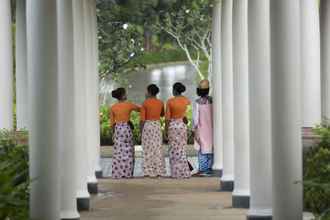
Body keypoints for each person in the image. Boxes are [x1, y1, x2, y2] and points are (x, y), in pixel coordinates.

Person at [109, 88, 140, 179]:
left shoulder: (113, 107)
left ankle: (118, 173)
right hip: (126, 129)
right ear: (122, 95)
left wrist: (113, 134)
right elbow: (140, 109)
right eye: (125, 93)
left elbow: (111, 124)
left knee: (119, 152)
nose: (127, 95)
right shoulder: (129, 105)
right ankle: (128, 173)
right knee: (128, 151)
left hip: (118, 129)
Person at [165, 82, 191, 178]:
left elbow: (167, 118)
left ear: (175, 90)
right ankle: (184, 172)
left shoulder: (170, 101)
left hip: (173, 126)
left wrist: (165, 131)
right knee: (182, 149)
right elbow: (187, 117)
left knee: (173, 150)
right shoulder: (187, 100)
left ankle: (175, 173)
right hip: (182, 126)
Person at [140, 84, 166, 177]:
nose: (145, 92)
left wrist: (141, 131)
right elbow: (163, 114)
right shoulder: (161, 102)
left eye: (146, 91)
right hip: (157, 126)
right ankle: (159, 170)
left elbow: (142, 120)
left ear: (150, 92)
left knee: (147, 149)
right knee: (157, 148)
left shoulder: (145, 103)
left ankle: (148, 171)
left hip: (148, 126)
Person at [193, 79, 214, 176]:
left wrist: (194, 130)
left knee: (202, 148)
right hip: (212, 129)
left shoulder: (197, 102)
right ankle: (210, 168)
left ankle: (203, 170)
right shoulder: (212, 101)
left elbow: (196, 119)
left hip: (202, 129)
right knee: (211, 148)